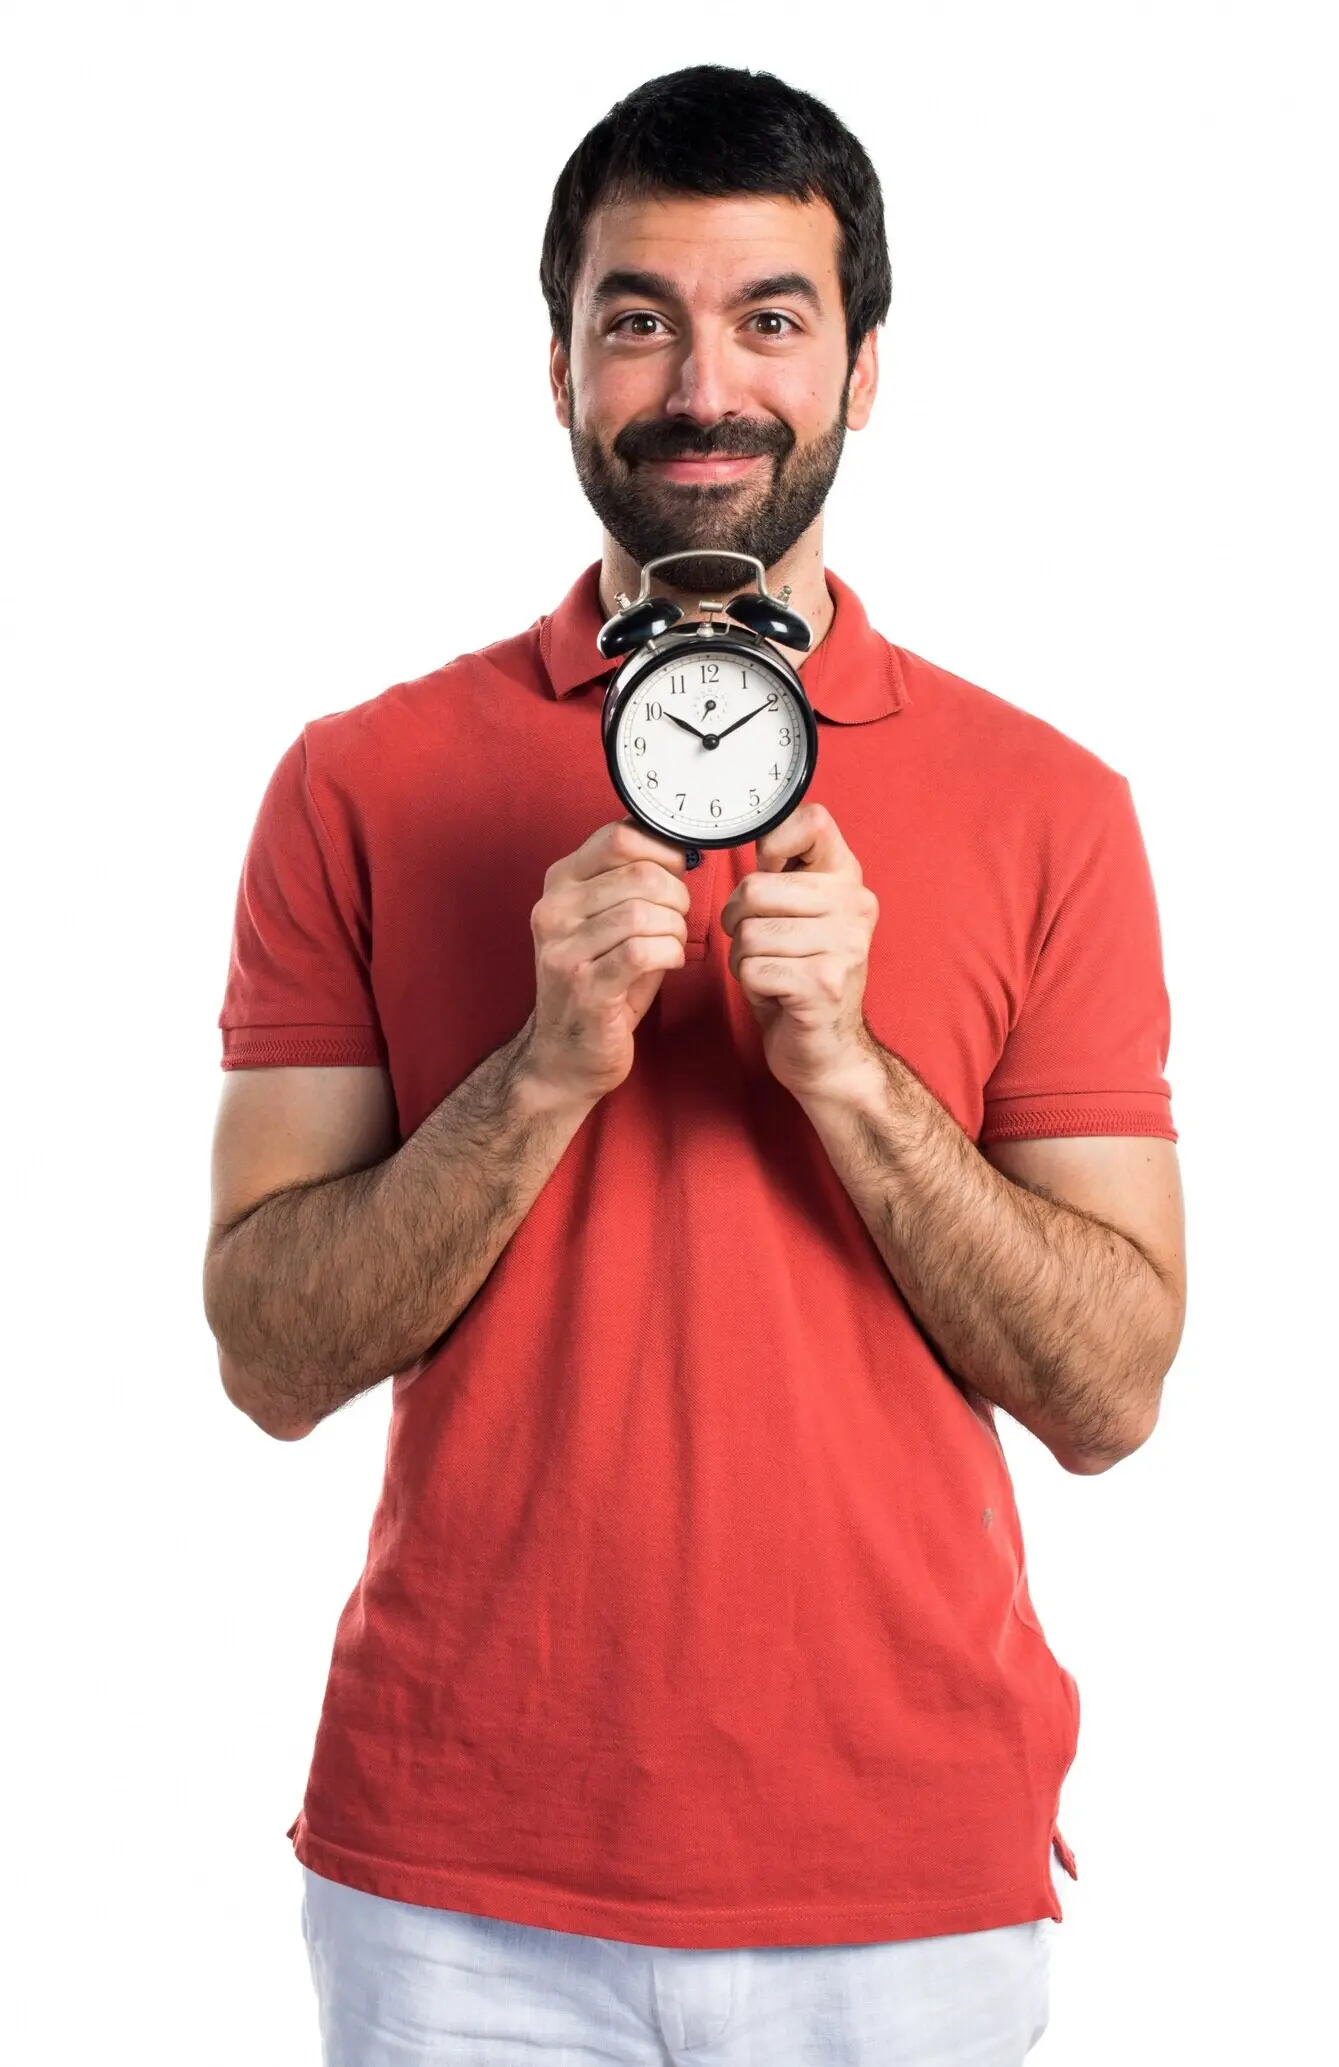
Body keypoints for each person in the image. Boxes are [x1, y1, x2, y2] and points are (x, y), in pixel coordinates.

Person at [205, 63, 1186, 2067]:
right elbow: (270, 1357)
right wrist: (547, 1067)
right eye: (635, 315)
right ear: (558, 367)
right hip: (459, 1886)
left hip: (901, 1885)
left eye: (770, 318)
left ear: (864, 366)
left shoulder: (1054, 804)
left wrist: (849, 1078)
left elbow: (1114, 1389)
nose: (700, 383)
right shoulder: (359, 781)